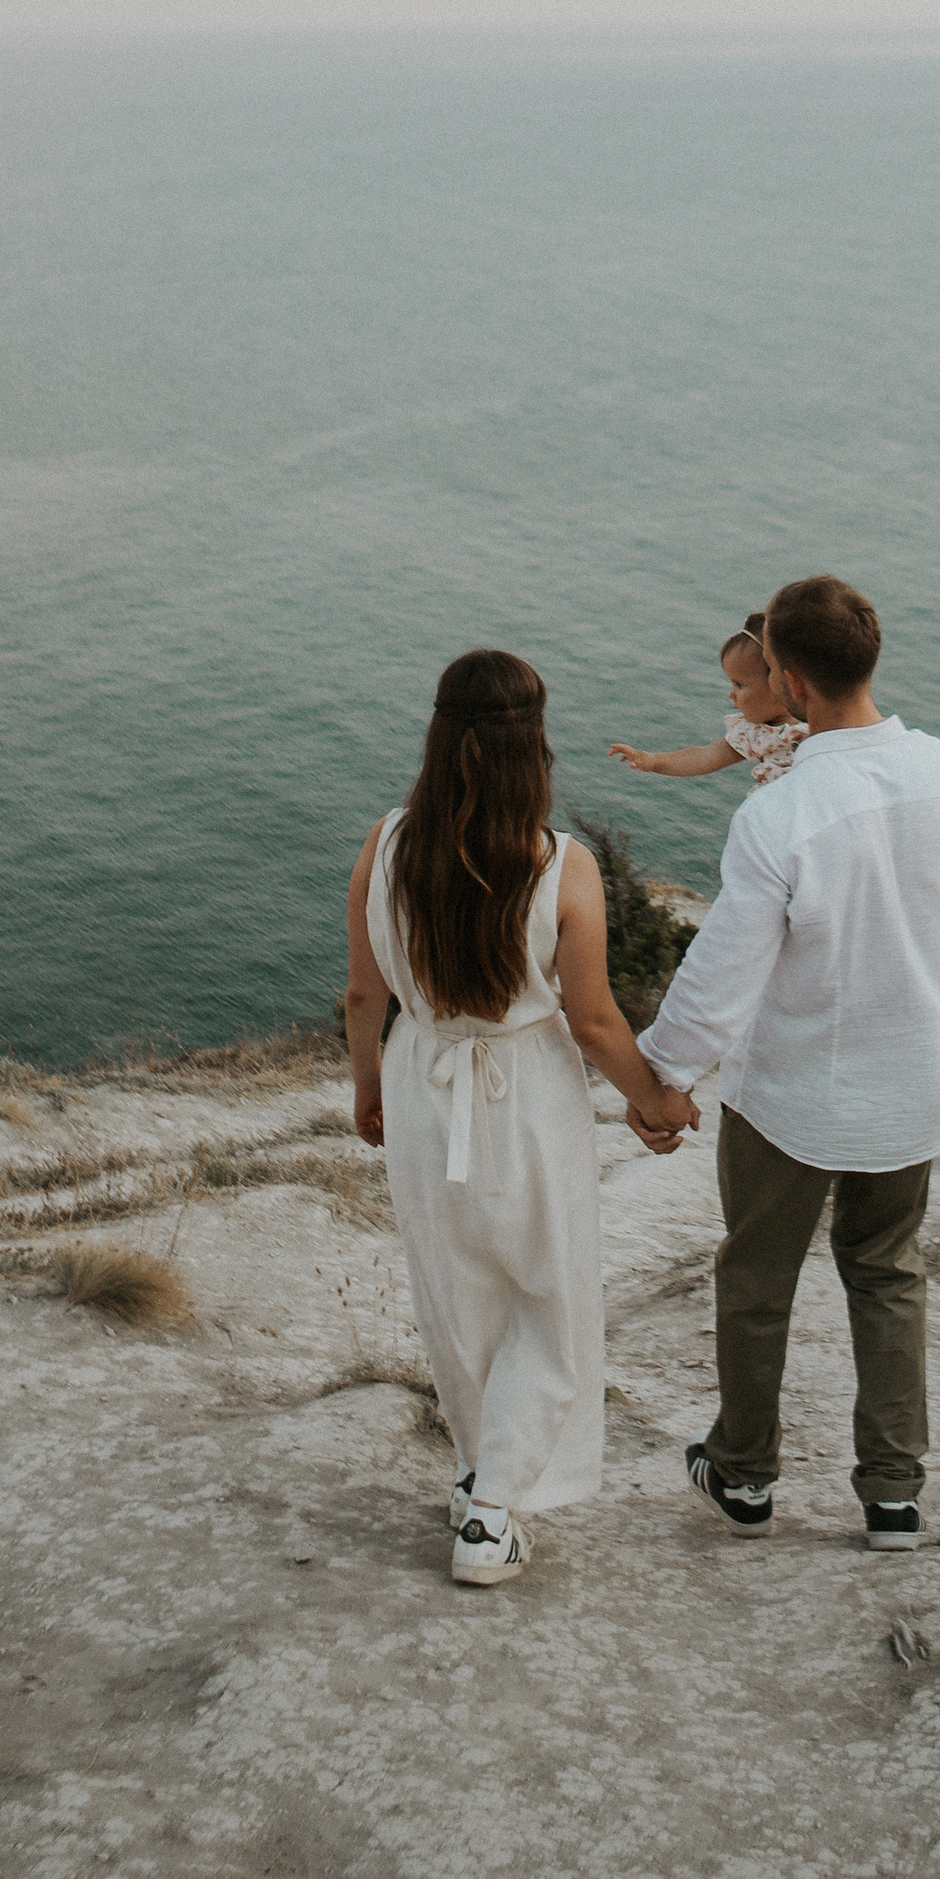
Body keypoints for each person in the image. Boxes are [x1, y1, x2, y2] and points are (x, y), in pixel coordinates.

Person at [634, 573, 940, 1550]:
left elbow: (723, 973)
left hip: (792, 1092)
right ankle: (892, 1495)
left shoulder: (781, 813)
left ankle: (744, 1476)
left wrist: (663, 1074)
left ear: (787, 681)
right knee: (887, 1275)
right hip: (911, 1084)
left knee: (757, 1280)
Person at [347, 646, 698, 1589]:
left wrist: (368, 1090)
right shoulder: (560, 866)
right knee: (549, 1296)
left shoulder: (384, 844)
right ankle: (493, 1509)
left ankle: (476, 1474)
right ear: (533, 742)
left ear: (437, 731)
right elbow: (591, 1019)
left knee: (455, 1293)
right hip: (524, 1097)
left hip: (424, 1087)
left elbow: (360, 996)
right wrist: (654, 1100)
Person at [607, 609, 807, 792]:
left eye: (740, 685)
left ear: (781, 683)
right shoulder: (753, 733)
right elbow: (704, 757)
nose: (731, 694)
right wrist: (653, 761)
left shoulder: (816, 725)